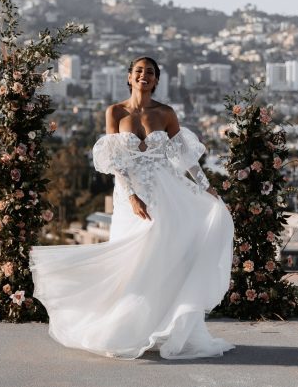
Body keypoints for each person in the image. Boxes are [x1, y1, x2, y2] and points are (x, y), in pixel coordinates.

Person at [29, 56, 235, 360]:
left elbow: (185, 158)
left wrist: (207, 187)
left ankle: (163, 328)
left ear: (156, 80)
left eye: (150, 72)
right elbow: (115, 163)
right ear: (129, 77)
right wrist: (131, 197)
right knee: (129, 261)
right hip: (130, 198)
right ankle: (125, 331)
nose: (144, 76)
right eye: (139, 71)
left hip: (166, 193)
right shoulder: (115, 112)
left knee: (159, 259)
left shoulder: (166, 114)